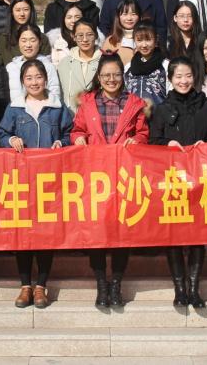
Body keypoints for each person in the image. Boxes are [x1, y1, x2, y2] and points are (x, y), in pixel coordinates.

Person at [70, 54, 149, 308]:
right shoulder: (88, 103)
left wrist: (137, 141)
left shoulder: (134, 103)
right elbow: (77, 129)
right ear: (99, 77)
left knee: (121, 233)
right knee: (97, 233)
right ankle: (101, 284)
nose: (111, 79)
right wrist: (78, 138)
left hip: (124, 176)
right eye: (106, 75)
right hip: (96, 177)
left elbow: (143, 133)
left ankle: (116, 283)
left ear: (122, 77)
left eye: (116, 74)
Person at [0, 59, 74, 309]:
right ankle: (25, 286)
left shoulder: (57, 107)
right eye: (29, 78)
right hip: (22, 182)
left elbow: (70, 133)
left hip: (50, 182)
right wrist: (11, 140)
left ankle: (41, 285)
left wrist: (62, 143)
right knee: (23, 234)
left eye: (38, 77)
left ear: (46, 79)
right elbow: (1, 133)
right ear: (22, 82)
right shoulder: (14, 108)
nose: (34, 82)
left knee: (45, 235)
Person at [148, 57, 207, 310]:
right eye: (178, 76)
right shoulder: (162, 109)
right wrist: (167, 144)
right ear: (170, 79)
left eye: (188, 76)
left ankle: (194, 289)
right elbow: (152, 143)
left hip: (201, 182)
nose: (184, 81)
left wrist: (206, 146)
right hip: (172, 183)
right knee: (174, 236)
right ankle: (179, 289)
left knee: (197, 236)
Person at [5, 24, 61, 103]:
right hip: (16, 110)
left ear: (40, 42)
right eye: (24, 41)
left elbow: (55, 95)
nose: (28, 45)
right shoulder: (11, 67)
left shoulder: (48, 66)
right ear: (18, 42)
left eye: (33, 40)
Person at [56, 19, 102, 112]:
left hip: (98, 115)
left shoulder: (105, 61)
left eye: (89, 35)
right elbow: (59, 93)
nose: (85, 39)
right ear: (73, 36)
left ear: (96, 35)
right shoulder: (64, 63)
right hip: (71, 115)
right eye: (80, 35)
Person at [124, 23, 168, 106]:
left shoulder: (166, 66)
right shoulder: (128, 68)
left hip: (159, 113)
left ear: (156, 40)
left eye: (148, 39)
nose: (144, 45)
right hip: (133, 113)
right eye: (139, 40)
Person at [0, 0, 40, 64]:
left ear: (31, 11)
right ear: (12, 12)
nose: (22, 14)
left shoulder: (42, 38)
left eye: (26, 9)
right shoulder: (3, 39)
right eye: (18, 10)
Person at [100, 0, 141, 67]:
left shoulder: (147, 39)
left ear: (139, 16)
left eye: (133, 14)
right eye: (125, 14)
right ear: (118, 17)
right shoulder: (111, 41)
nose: (129, 18)